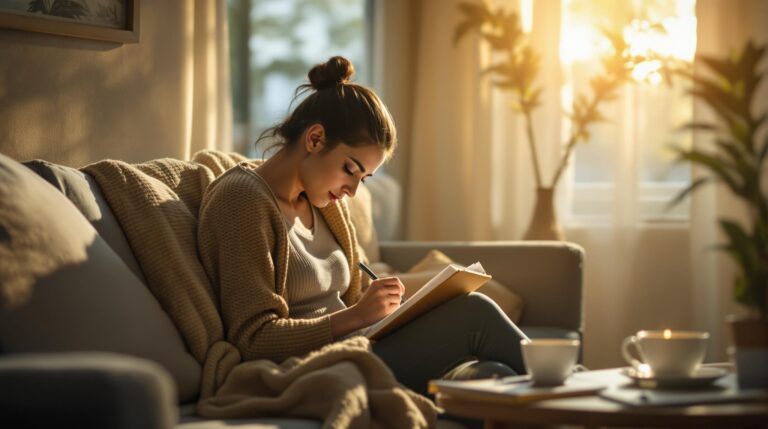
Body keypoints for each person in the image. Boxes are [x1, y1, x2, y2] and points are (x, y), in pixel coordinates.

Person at [197, 56, 527, 397]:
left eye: (364, 178)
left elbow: (354, 301)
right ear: (314, 139)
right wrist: (355, 316)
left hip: (360, 345)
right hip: (316, 365)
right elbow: (253, 339)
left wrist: (387, 311)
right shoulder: (242, 200)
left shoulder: (325, 205)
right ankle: (582, 392)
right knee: (474, 312)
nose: (353, 191)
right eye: (350, 169)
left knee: (494, 376)